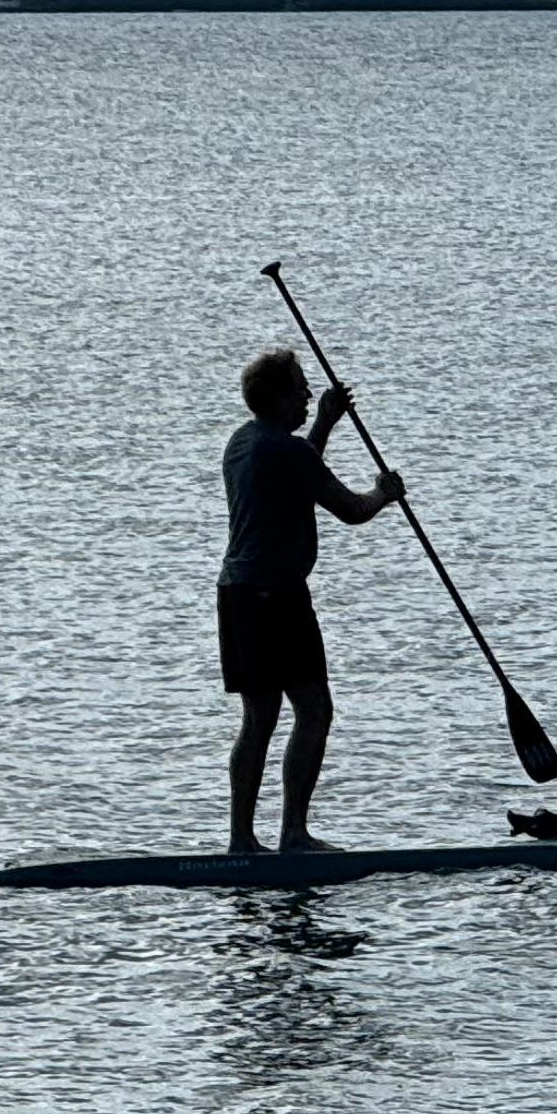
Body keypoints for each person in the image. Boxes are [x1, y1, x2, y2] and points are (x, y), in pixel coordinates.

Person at [220, 347, 400, 853]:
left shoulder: (242, 441)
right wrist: (383, 493)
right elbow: (351, 509)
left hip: (237, 594)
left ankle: (242, 840)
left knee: (260, 717)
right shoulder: (287, 453)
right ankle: (294, 834)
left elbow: (300, 464)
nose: (306, 394)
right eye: (300, 387)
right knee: (314, 709)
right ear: (279, 398)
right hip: (276, 599)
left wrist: (324, 422)